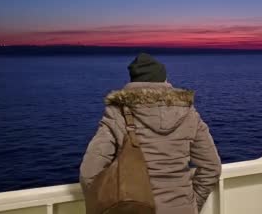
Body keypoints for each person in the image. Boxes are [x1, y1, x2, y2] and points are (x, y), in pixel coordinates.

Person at [80, 53, 222, 214]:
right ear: (164, 79)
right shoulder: (189, 113)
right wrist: (193, 203)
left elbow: (89, 173)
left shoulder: (117, 113)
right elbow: (212, 167)